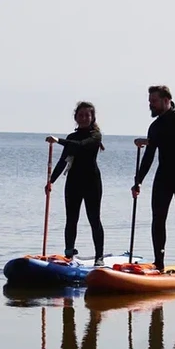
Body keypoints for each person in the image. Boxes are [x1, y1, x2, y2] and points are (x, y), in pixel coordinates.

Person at [131, 85, 175, 273]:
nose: (151, 105)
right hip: (163, 178)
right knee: (158, 219)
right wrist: (138, 180)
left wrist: (150, 141)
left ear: (166, 100)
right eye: (150, 101)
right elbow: (149, 156)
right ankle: (159, 262)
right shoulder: (155, 126)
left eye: (154, 101)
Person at [45, 101, 105, 264]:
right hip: (73, 183)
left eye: (87, 115)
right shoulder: (72, 137)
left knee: (94, 219)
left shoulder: (95, 136)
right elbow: (63, 161)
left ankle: (99, 257)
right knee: (71, 219)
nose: (84, 118)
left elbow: (80, 146)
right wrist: (51, 181)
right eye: (81, 115)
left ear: (92, 118)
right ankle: (69, 254)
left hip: (92, 183)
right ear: (76, 117)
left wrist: (58, 140)